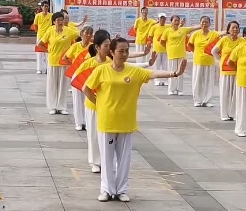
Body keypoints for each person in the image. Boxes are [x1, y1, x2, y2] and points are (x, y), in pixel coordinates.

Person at [82, 37, 187, 202]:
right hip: (106, 121)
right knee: (106, 159)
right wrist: (99, 105)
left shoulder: (134, 71)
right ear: (112, 52)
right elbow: (86, 88)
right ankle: (106, 190)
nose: (124, 54)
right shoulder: (101, 70)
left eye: (126, 51)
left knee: (124, 160)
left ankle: (121, 190)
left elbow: (154, 74)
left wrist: (175, 73)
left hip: (126, 121)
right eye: (120, 51)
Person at [37, 12, 82, 115]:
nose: (61, 22)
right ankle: (52, 106)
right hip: (53, 62)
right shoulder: (50, 31)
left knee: (63, 85)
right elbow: (40, 44)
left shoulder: (69, 31)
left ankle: (61, 107)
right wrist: (48, 51)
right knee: (52, 85)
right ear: (54, 22)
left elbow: (80, 34)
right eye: (58, 20)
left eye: (62, 20)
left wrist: (89, 32)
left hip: (64, 62)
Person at [62, 26, 94, 130]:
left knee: (87, 99)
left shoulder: (93, 47)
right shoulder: (75, 46)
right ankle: (79, 122)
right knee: (77, 100)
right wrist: (73, 66)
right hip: (77, 76)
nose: (88, 35)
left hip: (89, 76)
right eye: (86, 33)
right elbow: (65, 58)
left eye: (90, 33)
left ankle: (87, 122)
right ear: (81, 34)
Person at [212, 21, 244, 121]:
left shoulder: (242, 40)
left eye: (237, 27)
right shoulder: (224, 39)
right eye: (233, 27)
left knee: (235, 94)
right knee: (225, 92)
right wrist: (220, 59)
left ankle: (233, 114)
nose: (235, 29)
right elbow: (214, 51)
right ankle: (224, 114)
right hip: (225, 70)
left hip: (237, 70)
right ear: (228, 30)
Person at [160, 16, 200, 95]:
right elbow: (162, 41)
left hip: (181, 54)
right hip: (171, 54)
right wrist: (169, 48)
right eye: (175, 20)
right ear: (171, 21)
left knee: (181, 72)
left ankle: (180, 90)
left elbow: (193, 28)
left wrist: (202, 24)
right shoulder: (167, 31)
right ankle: (171, 89)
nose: (176, 22)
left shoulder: (183, 30)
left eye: (178, 20)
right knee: (172, 72)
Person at [188, 16, 221, 107]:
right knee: (197, 81)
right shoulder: (195, 34)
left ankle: (207, 100)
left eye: (206, 22)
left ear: (209, 24)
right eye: (202, 22)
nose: (204, 24)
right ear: (200, 23)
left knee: (209, 82)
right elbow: (190, 45)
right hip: (198, 61)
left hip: (209, 62)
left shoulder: (213, 34)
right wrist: (196, 52)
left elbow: (221, 35)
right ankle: (197, 100)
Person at [228, 42, 246, 137]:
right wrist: (238, 69)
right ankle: (241, 129)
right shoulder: (240, 48)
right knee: (242, 106)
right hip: (243, 81)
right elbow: (229, 62)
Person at [148, 13, 171, 86]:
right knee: (157, 66)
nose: (162, 20)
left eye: (164, 18)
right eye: (161, 18)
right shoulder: (154, 27)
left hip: (166, 50)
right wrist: (155, 43)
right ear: (158, 19)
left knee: (165, 66)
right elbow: (150, 37)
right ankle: (157, 80)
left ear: (166, 19)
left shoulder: (168, 27)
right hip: (157, 50)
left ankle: (165, 80)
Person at [34, 1, 53, 74]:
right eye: (44, 6)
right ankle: (39, 69)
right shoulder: (38, 16)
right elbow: (35, 26)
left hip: (48, 37)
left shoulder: (51, 15)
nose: (45, 8)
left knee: (47, 53)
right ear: (41, 7)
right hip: (40, 37)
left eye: (47, 6)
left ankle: (47, 69)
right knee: (39, 54)